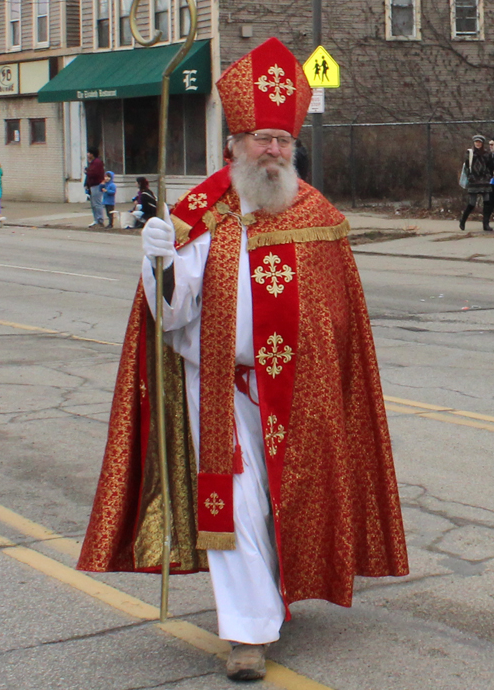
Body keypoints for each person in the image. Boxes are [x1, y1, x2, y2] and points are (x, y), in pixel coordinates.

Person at [78, 38, 409, 682]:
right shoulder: (200, 214)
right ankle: (247, 634)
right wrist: (160, 260)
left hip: (303, 393)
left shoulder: (320, 217)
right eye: (260, 138)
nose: (273, 151)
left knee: (281, 501)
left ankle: (276, 595)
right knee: (231, 505)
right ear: (234, 145)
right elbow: (171, 315)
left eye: (282, 140)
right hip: (220, 392)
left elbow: (342, 323)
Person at [459, 134, 494, 232]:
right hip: (473, 181)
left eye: (480, 142)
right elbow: (466, 167)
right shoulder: (470, 153)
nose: (478, 144)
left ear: (482, 143)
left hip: (484, 181)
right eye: (476, 142)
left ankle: (485, 224)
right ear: (474, 143)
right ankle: (463, 220)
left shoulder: (487, 154)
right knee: (472, 203)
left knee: (487, 202)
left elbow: (490, 167)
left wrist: (488, 177)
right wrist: (471, 177)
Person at [84, 147, 105, 227]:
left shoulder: (97, 162)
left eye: (89, 153)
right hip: (92, 185)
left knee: (97, 203)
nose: (87, 154)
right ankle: (96, 220)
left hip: (97, 185)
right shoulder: (92, 163)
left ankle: (100, 220)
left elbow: (95, 174)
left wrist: (87, 172)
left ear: (92, 154)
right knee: (93, 204)